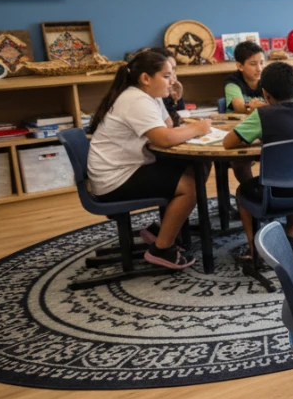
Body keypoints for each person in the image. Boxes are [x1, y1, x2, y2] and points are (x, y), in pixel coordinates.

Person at [87, 51, 211, 270]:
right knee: (190, 186)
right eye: (166, 76)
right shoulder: (135, 100)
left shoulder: (146, 96)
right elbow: (164, 138)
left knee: (196, 165)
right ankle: (162, 248)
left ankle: (165, 229)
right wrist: (196, 128)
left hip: (123, 169)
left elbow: (168, 126)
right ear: (146, 78)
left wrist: (165, 95)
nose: (171, 80)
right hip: (114, 179)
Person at [223, 61, 293, 256]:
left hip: (274, 193)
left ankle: (254, 249)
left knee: (242, 192)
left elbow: (228, 143)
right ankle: (289, 235)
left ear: (265, 94)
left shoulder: (262, 114)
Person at [224, 40, 267, 114]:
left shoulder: (268, 79)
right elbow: (240, 109)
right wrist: (267, 107)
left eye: (261, 63)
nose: (259, 69)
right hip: (239, 123)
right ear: (240, 66)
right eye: (253, 64)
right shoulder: (232, 82)